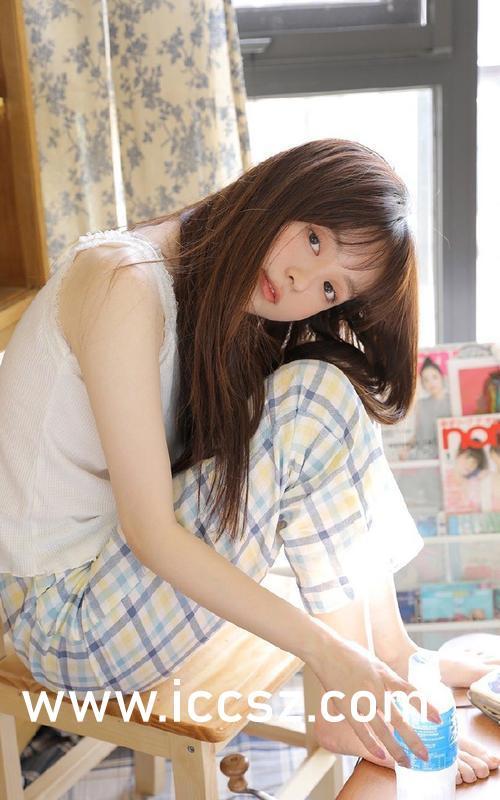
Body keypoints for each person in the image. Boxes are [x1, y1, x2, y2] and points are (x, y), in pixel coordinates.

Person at [0, 139, 498, 785]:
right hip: (65, 622)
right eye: (314, 239)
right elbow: (151, 534)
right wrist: (328, 653)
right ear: (282, 188)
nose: (300, 282)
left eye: (329, 288)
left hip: (115, 582)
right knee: (310, 401)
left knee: (322, 388)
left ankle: (392, 658)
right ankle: (354, 692)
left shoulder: (210, 285)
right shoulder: (126, 281)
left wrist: (349, 655)